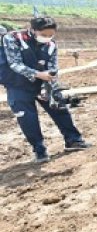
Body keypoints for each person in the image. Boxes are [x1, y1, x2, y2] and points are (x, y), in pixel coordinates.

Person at [0, 16, 91, 163]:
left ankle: (73, 140)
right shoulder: (13, 38)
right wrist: (37, 74)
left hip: (42, 82)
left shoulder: (51, 45)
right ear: (33, 30)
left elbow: (53, 68)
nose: (47, 38)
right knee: (27, 118)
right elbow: (14, 64)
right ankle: (39, 150)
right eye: (44, 35)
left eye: (51, 35)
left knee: (59, 108)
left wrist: (48, 86)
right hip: (17, 85)